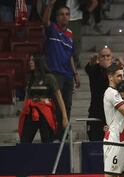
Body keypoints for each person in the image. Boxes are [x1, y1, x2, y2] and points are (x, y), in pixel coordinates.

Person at [42, 0, 80, 139]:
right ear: (57, 17)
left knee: (67, 105)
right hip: (55, 74)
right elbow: (44, 21)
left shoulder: (70, 34)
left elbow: (70, 56)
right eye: (61, 14)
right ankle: (53, 133)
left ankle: (63, 134)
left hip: (68, 74)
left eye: (67, 14)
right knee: (56, 105)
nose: (64, 16)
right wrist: (50, 5)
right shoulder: (52, 29)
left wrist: (75, 73)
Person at [18, 54, 69, 143]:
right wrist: (23, 113)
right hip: (31, 111)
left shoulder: (49, 78)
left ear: (39, 62)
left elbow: (59, 97)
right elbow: (27, 96)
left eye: (32, 60)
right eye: (30, 60)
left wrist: (64, 117)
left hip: (45, 112)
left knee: (47, 141)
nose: (30, 63)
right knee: (24, 141)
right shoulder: (30, 78)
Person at [85, 47, 115, 141]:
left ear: (112, 57)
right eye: (103, 56)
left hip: (112, 113)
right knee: (94, 143)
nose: (105, 58)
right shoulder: (94, 69)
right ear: (99, 58)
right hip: (96, 112)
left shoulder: (116, 70)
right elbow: (88, 68)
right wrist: (92, 63)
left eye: (108, 56)